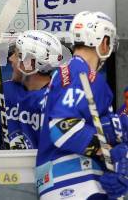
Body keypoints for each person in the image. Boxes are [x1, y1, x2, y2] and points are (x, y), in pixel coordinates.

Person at [36, 11, 128, 199]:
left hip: (53, 179)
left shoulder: (62, 73)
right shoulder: (87, 75)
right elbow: (63, 128)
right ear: (103, 42)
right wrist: (106, 151)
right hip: (78, 181)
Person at [1, 30, 63, 149]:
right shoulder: (5, 90)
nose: (11, 59)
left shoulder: (54, 99)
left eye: (16, 54)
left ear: (29, 62)